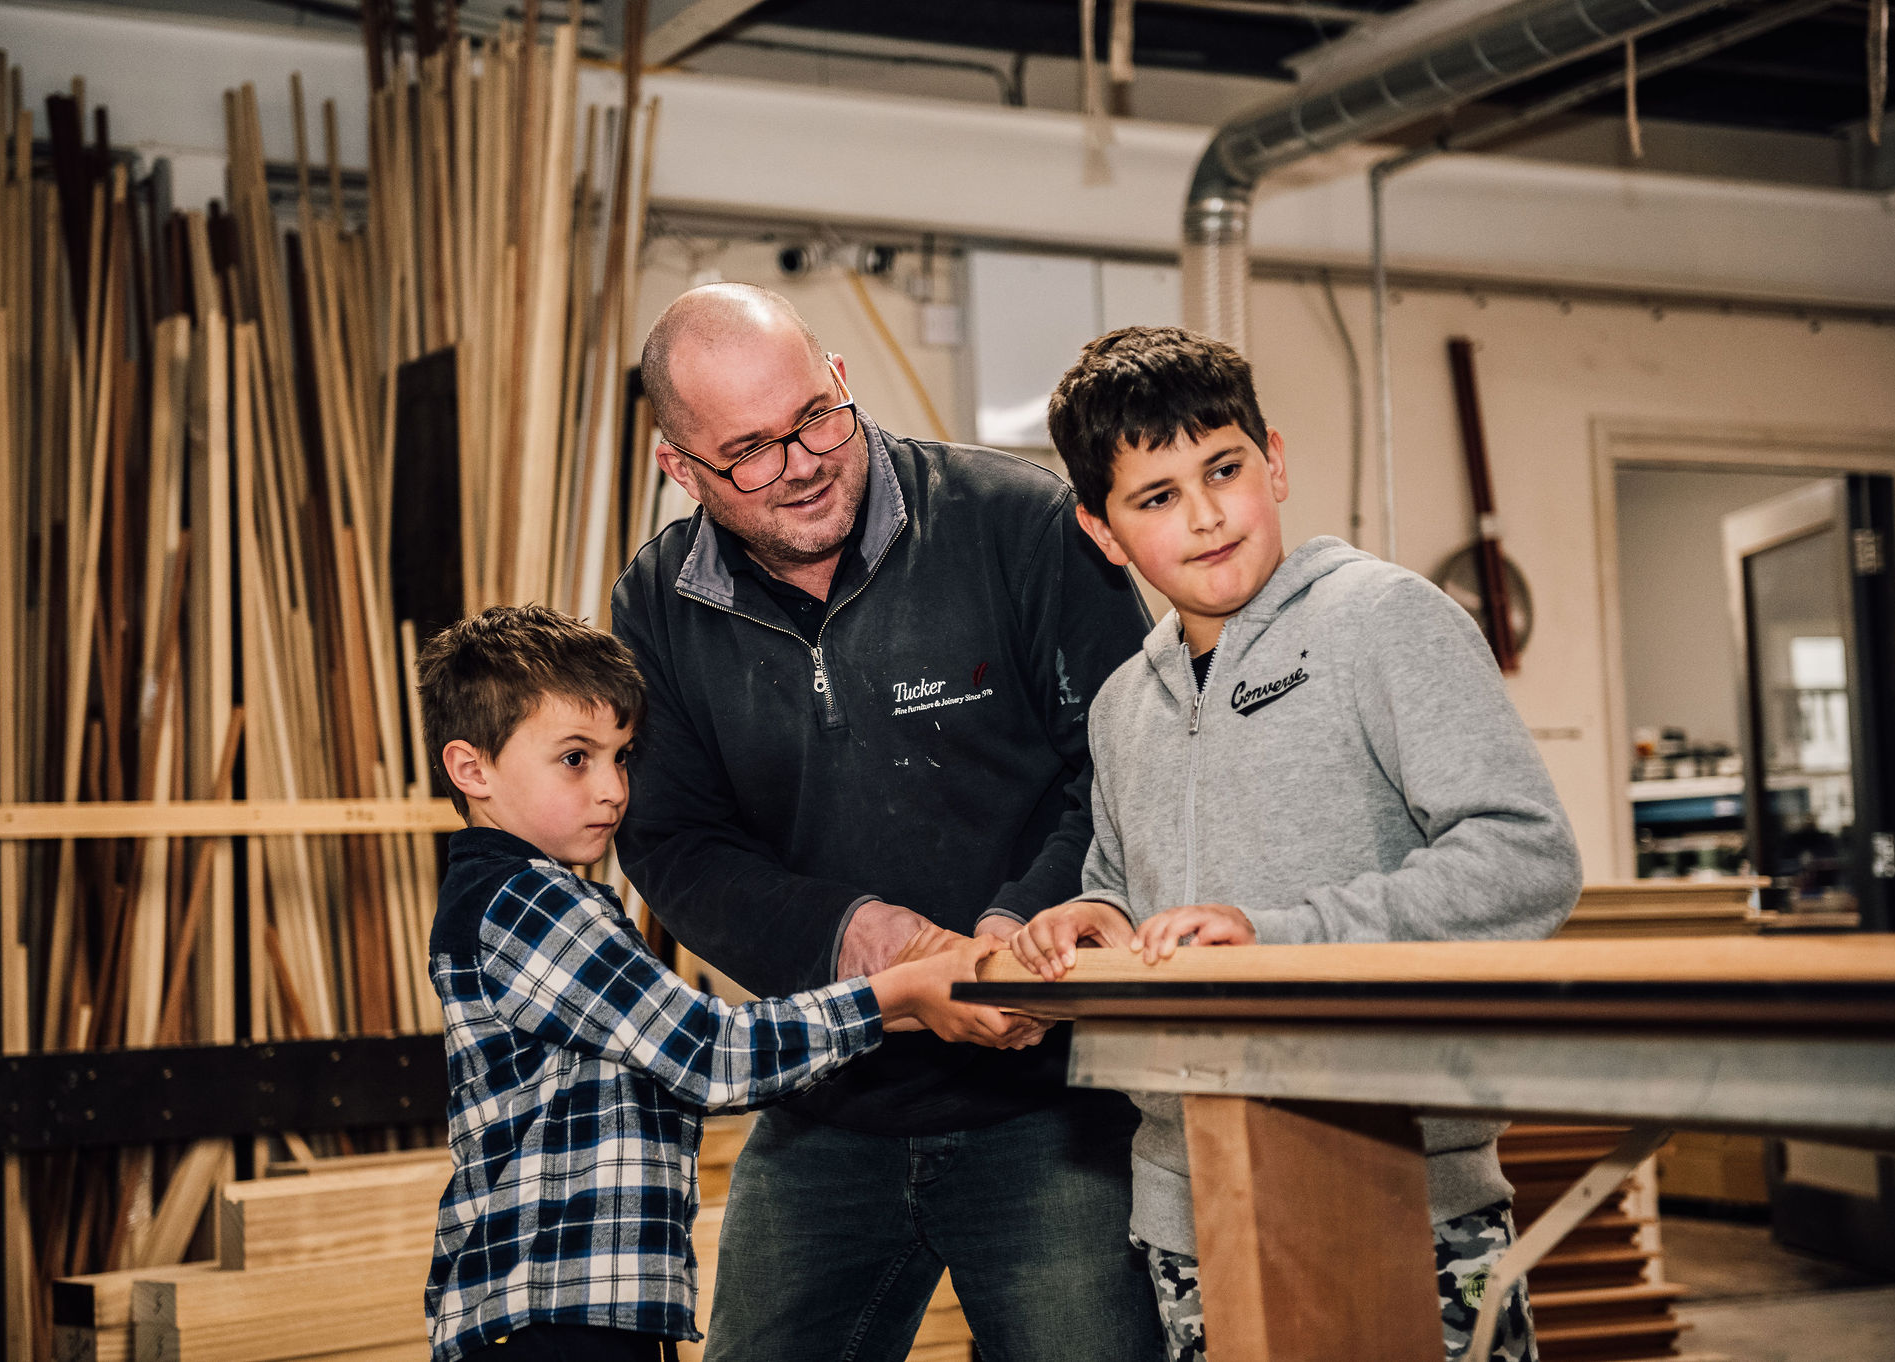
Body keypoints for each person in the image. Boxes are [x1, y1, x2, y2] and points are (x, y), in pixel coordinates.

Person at [611, 284, 1163, 1362]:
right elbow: (674, 844)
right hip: (828, 1098)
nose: (804, 461)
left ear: (843, 381)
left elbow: (1122, 769)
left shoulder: (1016, 523)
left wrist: (1014, 937)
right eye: (750, 453)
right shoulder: (656, 608)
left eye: (816, 416)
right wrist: (882, 951)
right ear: (681, 472)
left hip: (1051, 1099)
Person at [1010, 326, 1584, 1362]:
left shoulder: (1382, 621)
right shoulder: (1119, 706)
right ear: (1102, 532)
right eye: (1154, 498)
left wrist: (1273, 937)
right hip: (1188, 1209)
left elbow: (1523, 858)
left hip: (1398, 1192)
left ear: (1270, 458)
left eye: (1222, 470)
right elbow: (1122, 890)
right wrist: (1091, 922)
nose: (1203, 514)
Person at [416, 604, 1010, 1362]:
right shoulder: (528, 902)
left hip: (577, 1313)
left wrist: (917, 1001)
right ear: (472, 769)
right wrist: (900, 994)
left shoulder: (520, 897)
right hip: (552, 1320)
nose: (612, 790)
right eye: (575, 758)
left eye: (622, 757)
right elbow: (707, 1054)